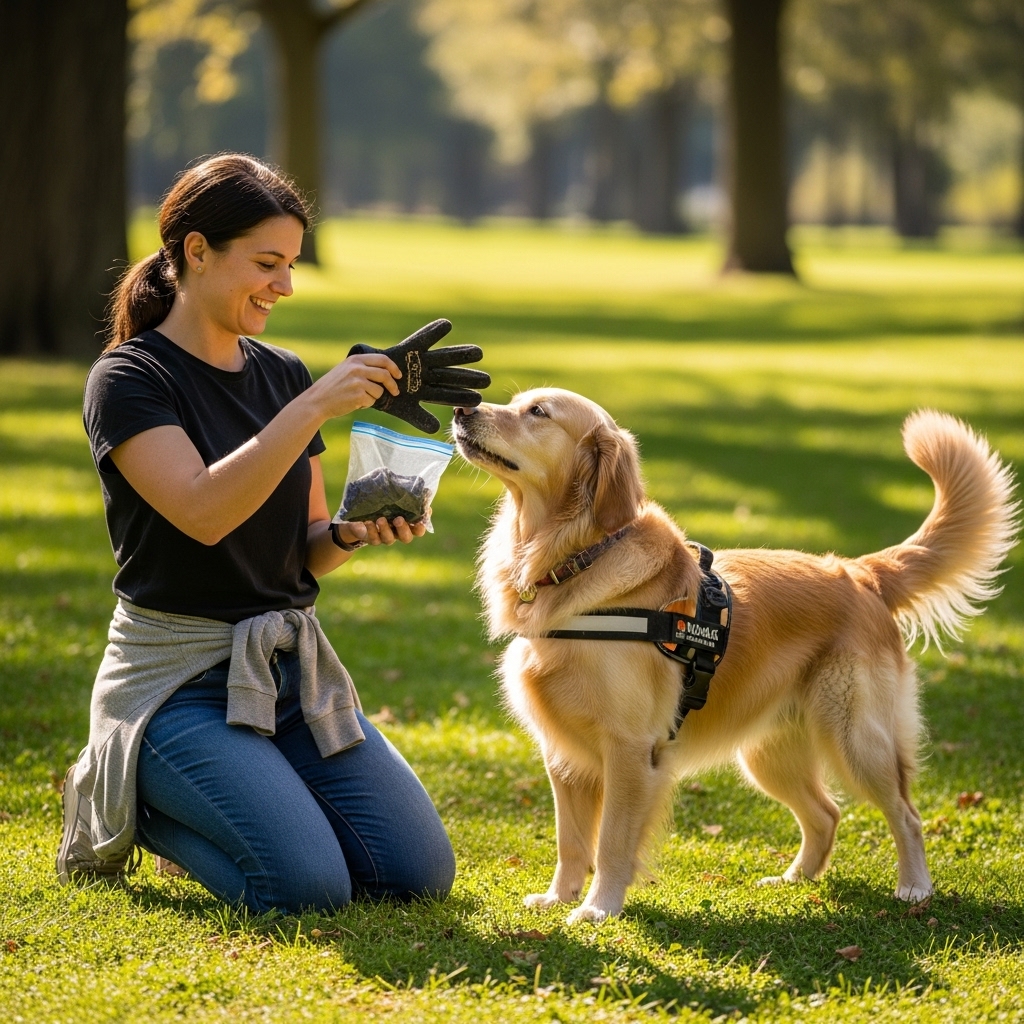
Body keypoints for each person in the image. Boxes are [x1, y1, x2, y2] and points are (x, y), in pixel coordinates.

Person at [57, 154, 457, 913]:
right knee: (306, 888)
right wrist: (312, 408)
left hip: (284, 675)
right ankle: (135, 797)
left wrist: (349, 533)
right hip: (175, 683)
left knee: (415, 873)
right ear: (196, 251)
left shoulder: (280, 373)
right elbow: (203, 512)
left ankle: (252, 793)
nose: (286, 285)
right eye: (267, 263)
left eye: (292, 264)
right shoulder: (130, 379)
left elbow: (307, 545)